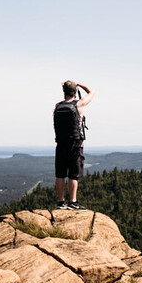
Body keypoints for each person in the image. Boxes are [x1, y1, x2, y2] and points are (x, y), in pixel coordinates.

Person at [53, 80, 93, 210]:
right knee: (73, 174)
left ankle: (60, 202)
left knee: (60, 174)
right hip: (75, 144)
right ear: (74, 92)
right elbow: (91, 92)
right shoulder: (79, 105)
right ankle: (73, 202)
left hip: (60, 144)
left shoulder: (57, 106)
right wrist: (80, 84)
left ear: (64, 92)